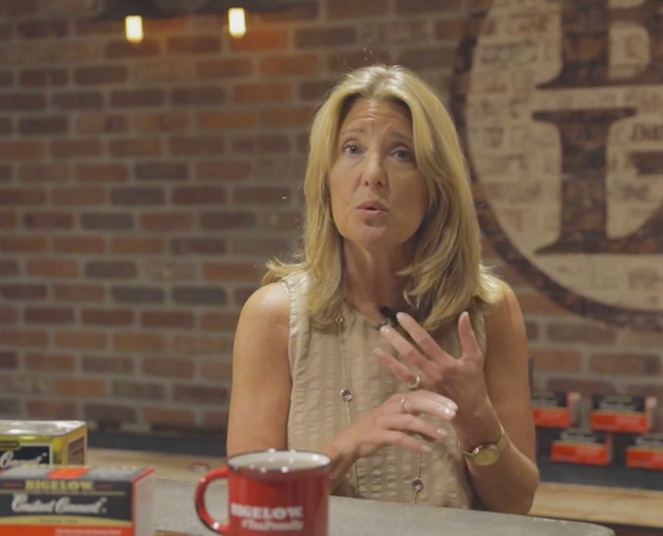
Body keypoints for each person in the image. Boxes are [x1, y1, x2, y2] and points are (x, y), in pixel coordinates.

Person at [226, 65, 539, 514]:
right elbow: (250, 503)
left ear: (436, 186)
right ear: (325, 179)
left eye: (401, 154)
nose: (372, 174)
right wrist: (346, 446)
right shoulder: (274, 316)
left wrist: (477, 420)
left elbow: (517, 505)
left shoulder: (490, 310)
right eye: (352, 149)